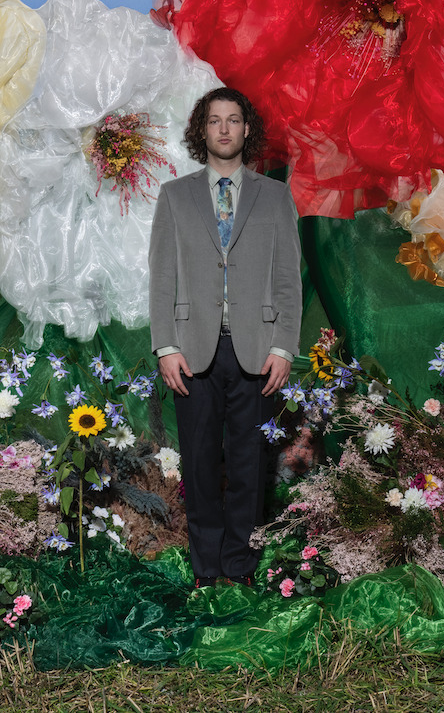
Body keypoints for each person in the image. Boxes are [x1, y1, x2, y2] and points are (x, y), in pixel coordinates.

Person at [149, 88, 301, 587]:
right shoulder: (175, 196)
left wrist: (283, 346)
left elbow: (287, 278)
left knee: (248, 465)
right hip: (192, 352)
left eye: (233, 120)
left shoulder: (275, 196)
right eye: (215, 121)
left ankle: (238, 568)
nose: (224, 129)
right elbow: (162, 276)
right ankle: (205, 571)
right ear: (203, 131)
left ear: (246, 129)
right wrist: (166, 346)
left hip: (256, 351)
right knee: (198, 463)